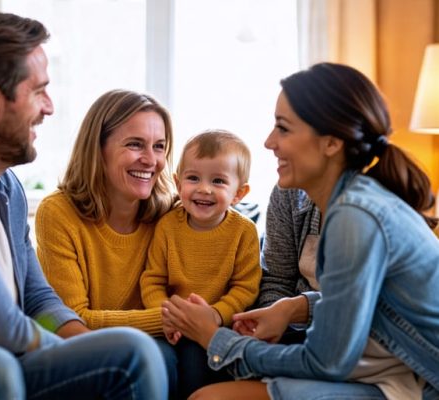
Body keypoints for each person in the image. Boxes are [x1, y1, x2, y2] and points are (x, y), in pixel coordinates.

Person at [0, 11, 167, 399]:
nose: (50, 107)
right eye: (39, 91)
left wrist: (87, 348)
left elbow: (38, 298)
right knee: (2, 364)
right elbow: (1, 326)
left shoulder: (6, 188)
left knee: (126, 352)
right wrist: (92, 362)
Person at [161, 62, 439, 400]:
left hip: (420, 382)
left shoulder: (355, 216)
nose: (268, 142)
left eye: (283, 128)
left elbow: (327, 361)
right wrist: (295, 308)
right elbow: (360, 299)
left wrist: (214, 338)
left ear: (331, 143)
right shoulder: (352, 202)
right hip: (393, 370)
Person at [34, 89, 177, 388]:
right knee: (161, 356)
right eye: (135, 144)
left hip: (158, 350)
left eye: (159, 146)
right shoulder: (58, 213)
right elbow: (73, 320)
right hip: (85, 359)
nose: (151, 160)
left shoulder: (172, 215)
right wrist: (165, 320)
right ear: (98, 149)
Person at [140, 130, 262, 398]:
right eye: (193, 178)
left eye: (218, 181)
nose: (204, 189)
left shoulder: (244, 232)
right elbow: (152, 280)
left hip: (217, 328)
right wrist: (167, 316)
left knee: (198, 362)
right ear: (177, 181)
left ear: (238, 193)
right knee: (159, 361)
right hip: (171, 325)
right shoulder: (167, 226)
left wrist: (216, 315)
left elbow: (246, 287)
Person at [250, 185, 320, 344]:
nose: (276, 158)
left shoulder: (363, 211)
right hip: (292, 327)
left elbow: (354, 303)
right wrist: (272, 324)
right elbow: (277, 278)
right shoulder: (288, 192)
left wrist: (293, 309)